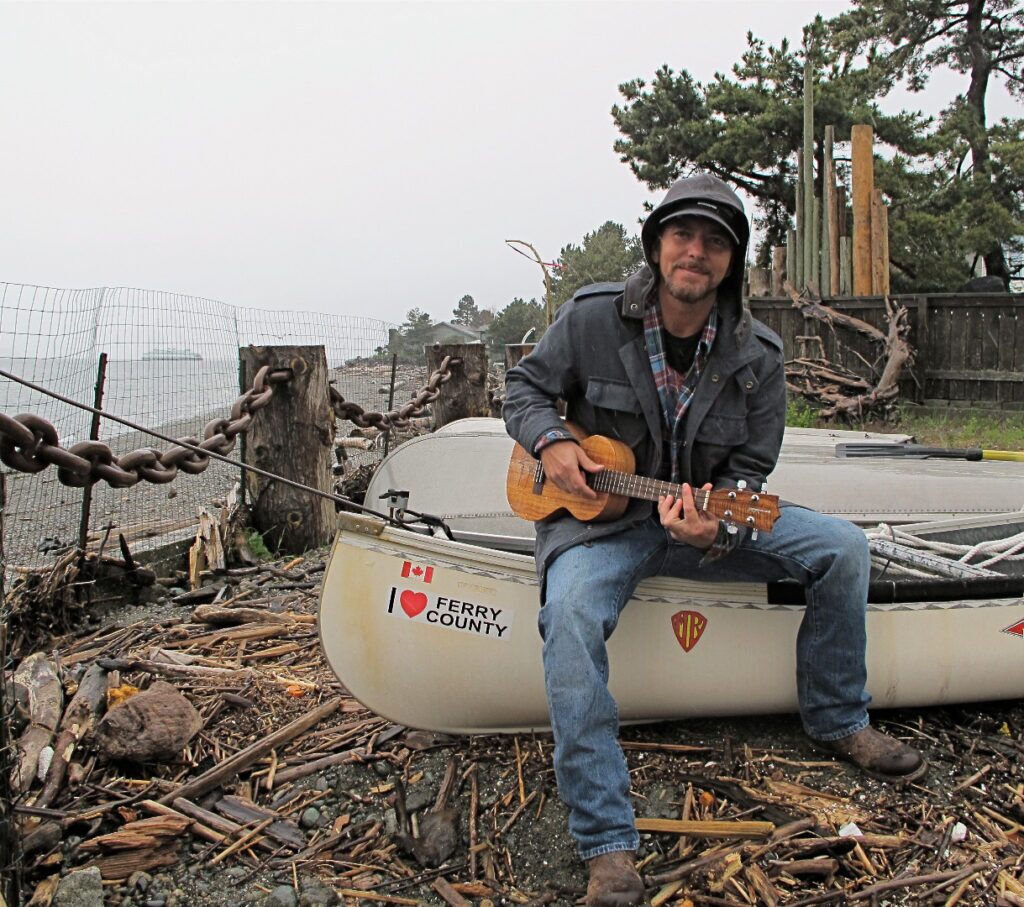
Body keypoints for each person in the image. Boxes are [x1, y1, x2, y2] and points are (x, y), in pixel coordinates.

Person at [502, 173, 926, 907]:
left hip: (700, 518)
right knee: (568, 615)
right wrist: (549, 445)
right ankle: (607, 843)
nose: (695, 251)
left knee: (842, 548)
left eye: (715, 241)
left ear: (731, 261)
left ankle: (839, 718)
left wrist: (720, 525)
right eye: (682, 235)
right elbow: (523, 391)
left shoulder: (757, 355)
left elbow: (750, 469)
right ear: (658, 244)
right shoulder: (592, 317)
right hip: (601, 526)